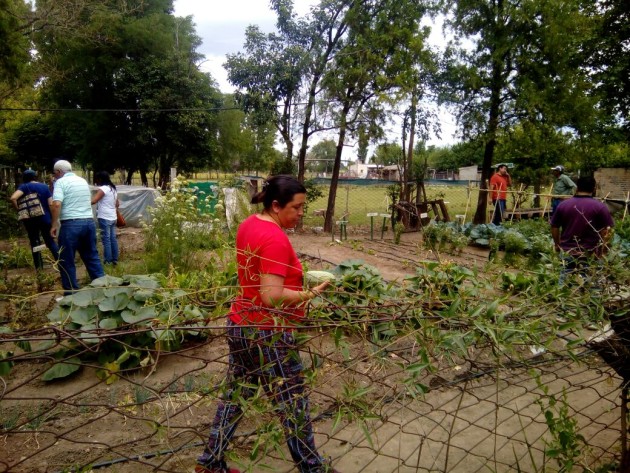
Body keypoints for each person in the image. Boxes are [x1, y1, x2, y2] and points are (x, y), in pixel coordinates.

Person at [195, 175, 339, 473]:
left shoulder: (251, 224)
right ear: (276, 205)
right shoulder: (275, 238)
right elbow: (271, 295)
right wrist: (308, 293)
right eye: (297, 208)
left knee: (237, 396)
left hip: (241, 323)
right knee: (293, 403)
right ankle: (312, 469)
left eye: (303, 207)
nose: (301, 214)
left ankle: (211, 462)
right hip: (268, 334)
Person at [50, 159, 105, 295]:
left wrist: (54, 224)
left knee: (66, 260)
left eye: (55, 173)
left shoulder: (60, 182)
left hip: (71, 225)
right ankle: (103, 288)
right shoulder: (82, 181)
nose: (54, 176)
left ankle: (71, 294)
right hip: (88, 223)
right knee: (91, 256)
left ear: (58, 172)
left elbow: (56, 204)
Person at [550, 176, 614, 283]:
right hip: (591, 253)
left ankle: (563, 298)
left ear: (577, 188)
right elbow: (607, 231)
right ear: (594, 189)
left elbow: (554, 226)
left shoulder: (563, 205)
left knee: (563, 286)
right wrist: (603, 250)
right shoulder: (600, 207)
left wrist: (557, 244)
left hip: (567, 251)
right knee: (592, 286)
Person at [10, 169, 60, 270]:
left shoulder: (24, 186)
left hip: (30, 220)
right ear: (35, 177)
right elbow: (51, 204)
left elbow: (13, 198)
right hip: (45, 218)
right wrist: (53, 219)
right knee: (50, 241)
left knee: (35, 241)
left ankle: (39, 268)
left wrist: (19, 210)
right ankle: (62, 264)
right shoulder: (44, 187)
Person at [91, 171, 119, 265]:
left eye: (97, 179)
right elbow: (117, 204)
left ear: (100, 179)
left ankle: (108, 261)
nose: (96, 181)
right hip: (113, 217)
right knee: (112, 239)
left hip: (104, 216)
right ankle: (115, 259)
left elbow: (94, 201)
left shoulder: (103, 189)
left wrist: (83, 202)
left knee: (106, 240)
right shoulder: (113, 189)